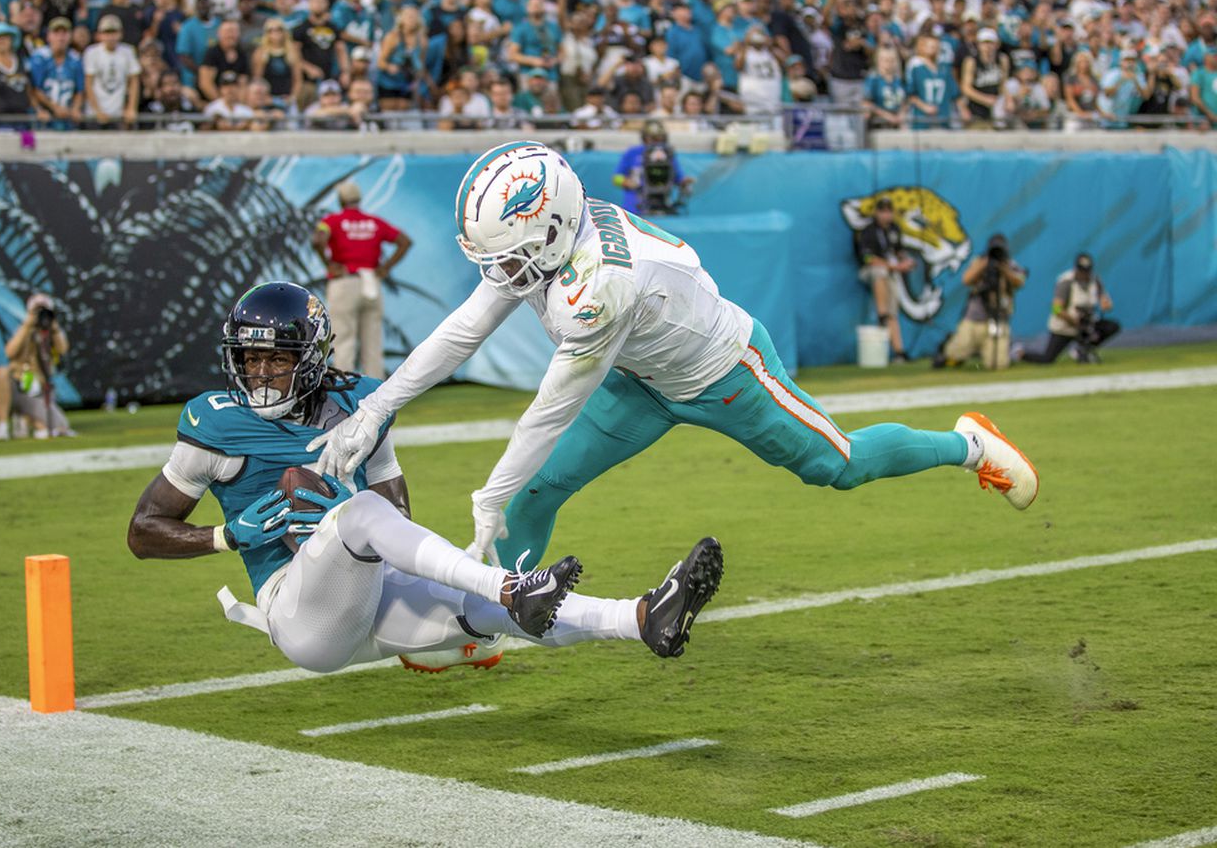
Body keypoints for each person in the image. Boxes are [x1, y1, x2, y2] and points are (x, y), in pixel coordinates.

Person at [311, 142, 1040, 577]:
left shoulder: (598, 287)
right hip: (640, 378)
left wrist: (489, 494)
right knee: (538, 492)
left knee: (838, 465)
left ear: (551, 226)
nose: (500, 273)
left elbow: (549, 409)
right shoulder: (557, 242)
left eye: (508, 257)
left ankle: (969, 445)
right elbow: (464, 330)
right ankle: (496, 617)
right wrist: (376, 409)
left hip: (725, 374)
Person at [127, 282, 723, 675]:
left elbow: (397, 521)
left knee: (487, 612)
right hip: (298, 614)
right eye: (251, 359)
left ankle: (643, 617)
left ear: (309, 358)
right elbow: (143, 531)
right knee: (356, 516)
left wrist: (346, 509)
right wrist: (227, 536)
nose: (260, 374)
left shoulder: (359, 402)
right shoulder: (215, 422)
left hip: (371, 594)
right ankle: (508, 584)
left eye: (277, 359)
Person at [312, 181, 411, 379]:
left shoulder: (331, 221)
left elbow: (317, 240)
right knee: (373, 344)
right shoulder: (374, 221)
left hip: (344, 281)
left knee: (343, 342)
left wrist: (328, 263)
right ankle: (377, 392)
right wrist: (385, 268)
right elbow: (404, 241)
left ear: (341, 200)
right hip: (370, 282)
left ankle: (344, 391)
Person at [935, 233, 1026, 371]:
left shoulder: (1010, 264)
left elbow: (1020, 282)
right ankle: (952, 349)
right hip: (974, 318)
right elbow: (966, 280)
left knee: (998, 364)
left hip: (998, 319)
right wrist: (985, 263)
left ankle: (998, 351)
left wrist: (1003, 268)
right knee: (955, 354)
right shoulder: (979, 261)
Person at [0, 293, 73, 441]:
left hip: (39, 390)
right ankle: (2, 427)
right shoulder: (22, 329)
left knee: (60, 426)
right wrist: (27, 325)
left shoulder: (51, 333)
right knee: (1, 372)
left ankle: (27, 419)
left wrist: (53, 327)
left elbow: (62, 349)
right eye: (36, 311)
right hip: (19, 384)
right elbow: (10, 351)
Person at [1020, 253, 1119, 364]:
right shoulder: (1066, 282)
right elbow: (1055, 309)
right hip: (1065, 327)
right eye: (1082, 270)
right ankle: (1020, 353)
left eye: (1087, 270)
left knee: (1111, 326)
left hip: (1086, 326)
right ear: (1076, 268)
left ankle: (1083, 350)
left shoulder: (1095, 280)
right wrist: (1071, 319)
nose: (1085, 274)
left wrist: (1106, 305)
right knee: (1047, 359)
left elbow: (1105, 301)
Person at [855, 196, 912, 362]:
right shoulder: (868, 231)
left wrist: (905, 261)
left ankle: (899, 352)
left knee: (893, 310)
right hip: (870, 271)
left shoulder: (894, 229)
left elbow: (899, 251)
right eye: (883, 211)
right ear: (876, 213)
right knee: (879, 271)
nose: (886, 215)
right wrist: (894, 266)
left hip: (891, 273)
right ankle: (881, 313)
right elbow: (867, 259)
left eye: (889, 211)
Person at [612, 119, 693, 216]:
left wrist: (684, 182)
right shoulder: (633, 152)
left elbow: (677, 178)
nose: (656, 142)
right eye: (652, 138)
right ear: (645, 138)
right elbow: (616, 178)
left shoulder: (667, 154)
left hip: (662, 206)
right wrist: (627, 182)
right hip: (635, 206)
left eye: (659, 138)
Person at [84, 13, 141, 128]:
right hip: (94, 114)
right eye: (107, 33)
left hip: (118, 113)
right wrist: (97, 111)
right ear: (99, 35)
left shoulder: (128, 51)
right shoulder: (92, 52)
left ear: (120, 34)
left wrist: (131, 108)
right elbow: (89, 84)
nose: (110, 37)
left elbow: (134, 81)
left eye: (114, 32)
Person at [30, 16, 84, 128]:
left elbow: (80, 90)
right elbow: (34, 89)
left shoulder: (76, 59)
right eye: (56, 33)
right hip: (44, 117)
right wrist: (55, 108)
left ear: (70, 36)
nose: (61, 37)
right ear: (48, 36)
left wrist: (76, 108)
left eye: (64, 33)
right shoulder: (39, 57)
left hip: (67, 117)